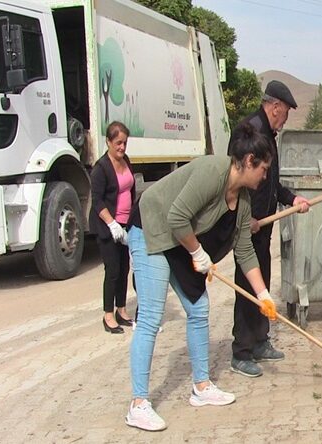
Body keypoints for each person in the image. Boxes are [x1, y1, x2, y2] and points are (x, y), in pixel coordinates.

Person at [124, 123, 279, 431]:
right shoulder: (212, 172)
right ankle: (138, 404)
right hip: (152, 228)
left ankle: (201, 387)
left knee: (199, 309)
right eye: (263, 169)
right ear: (249, 161)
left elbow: (245, 251)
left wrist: (263, 295)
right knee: (152, 315)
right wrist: (197, 253)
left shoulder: (243, 200)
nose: (264, 176)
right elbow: (176, 216)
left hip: (178, 240)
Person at [227, 80, 310, 378]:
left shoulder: (269, 135)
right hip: (248, 226)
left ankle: (260, 341)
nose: (285, 119)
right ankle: (241, 352)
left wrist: (292, 198)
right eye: (285, 112)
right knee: (247, 287)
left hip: (263, 226)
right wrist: (244, 218)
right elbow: (235, 179)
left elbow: (271, 183)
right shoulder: (249, 131)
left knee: (261, 281)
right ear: (275, 107)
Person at [90, 122, 135, 334]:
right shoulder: (100, 169)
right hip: (108, 227)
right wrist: (112, 223)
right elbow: (97, 201)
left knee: (124, 268)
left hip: (125, 225)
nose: (122, 147)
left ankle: (121, 310)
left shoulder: (126, 161)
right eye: (118, 143)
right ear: (108, 141)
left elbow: (130, 190)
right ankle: (108, 315)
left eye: (124, 143)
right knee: (113, 270)